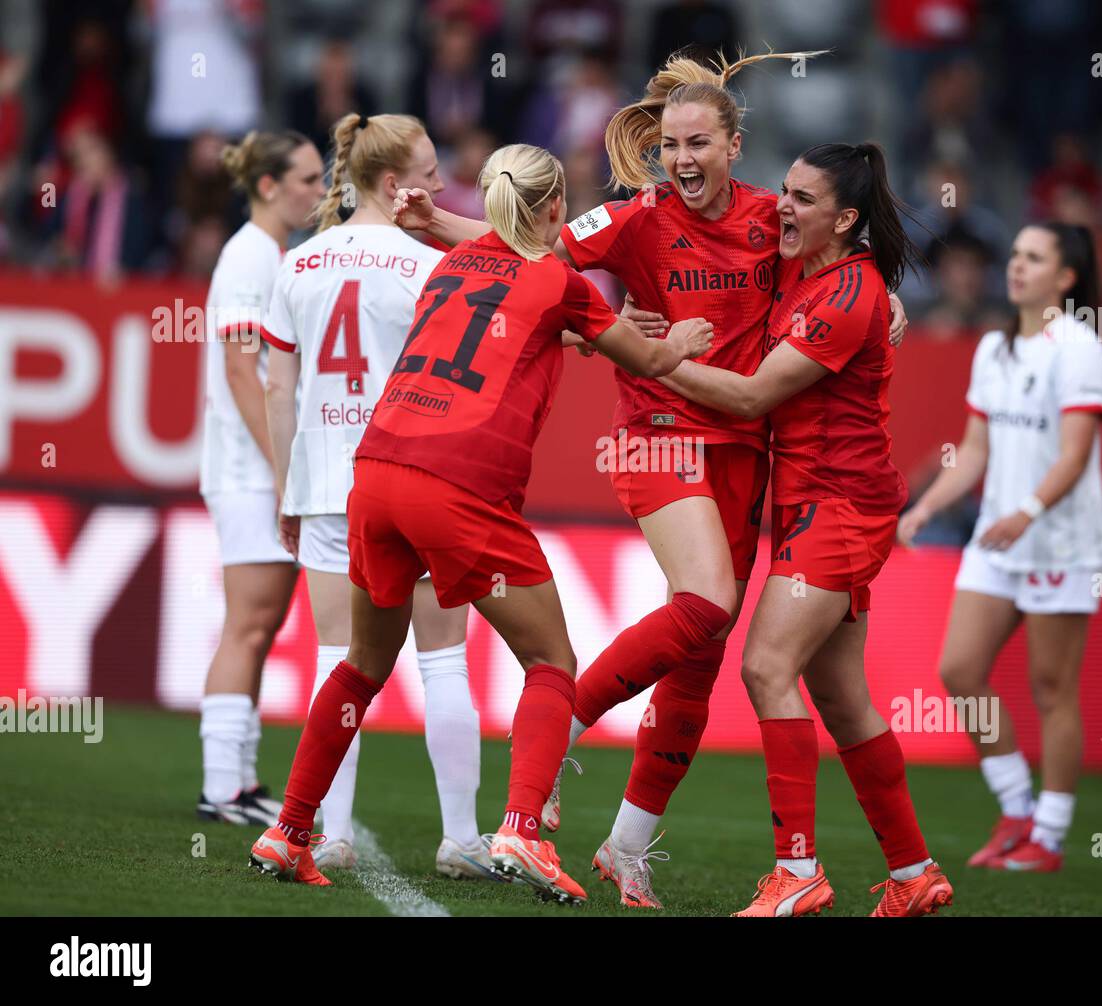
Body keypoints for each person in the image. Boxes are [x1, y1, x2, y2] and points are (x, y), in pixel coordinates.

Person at [395, 50, 908, 909]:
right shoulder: (634, 219)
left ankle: (628, 847)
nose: (682, 160)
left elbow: (834, 269)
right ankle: (563, 732)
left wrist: (886, 294)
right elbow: (529, 249)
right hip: (657, 436)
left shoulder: (768, 223)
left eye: (699, 143)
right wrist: (434, 224)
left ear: (733, 145)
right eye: (671, 145)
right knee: (708, 603)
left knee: (699, 666)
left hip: (745, 453)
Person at [248, 143, 715, 903]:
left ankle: (289, 828)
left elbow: (506, 325)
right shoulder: (562, 281)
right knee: (551, 663)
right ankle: (522, 830)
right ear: (557, 208)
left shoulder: (450, 268)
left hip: (376, 472)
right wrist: (681, 342)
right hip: (458, 484)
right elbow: (647, 361)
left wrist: (577, 331)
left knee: (363, 666)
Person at [653, 142, 953, 917]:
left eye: (803, 199)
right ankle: (914, 871)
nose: (783, 207)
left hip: (842, 508)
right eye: (784, 191)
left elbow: (752, 398)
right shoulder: (818, 270)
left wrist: (648, 357)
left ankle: (798, 870)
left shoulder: (847, 293)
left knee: (764, 667)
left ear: (844, 218)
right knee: (842, 696)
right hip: (812, 503)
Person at [257, 113, 491, 880]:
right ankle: (461, 839)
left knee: (339, 662)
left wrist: (288, 491)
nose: (438, 185)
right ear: (394, 184)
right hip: (412, 481)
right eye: (427, 172)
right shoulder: (430, 266)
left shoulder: (296, 265)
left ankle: (331, 833)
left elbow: (281, 391)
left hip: (326, 487)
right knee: (445, 662)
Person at [898, 222, 1102, 873]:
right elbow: (974, 452)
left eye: (1035, 257)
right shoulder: (992, 346)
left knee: (1053, 690)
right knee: (959, 670)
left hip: (1059, 543)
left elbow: (1075, 455)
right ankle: (1015, 806)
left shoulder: (1078, 348)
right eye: (1015, 254)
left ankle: (1049, 836)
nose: (1017, 266)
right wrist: (927, 506)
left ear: (1066, 277)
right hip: (996, 538)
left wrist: (1029, 511)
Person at [197, 129, 323, 829]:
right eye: (305, 179)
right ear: (269, 186)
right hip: (250, 469)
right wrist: (282, 472)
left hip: (254, 466)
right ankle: (222, 786)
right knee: (248, 624)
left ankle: (235, 780)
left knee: (257, 623)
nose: (316, 189)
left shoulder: (264, 254)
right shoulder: (249, 257)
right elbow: (243, 371)